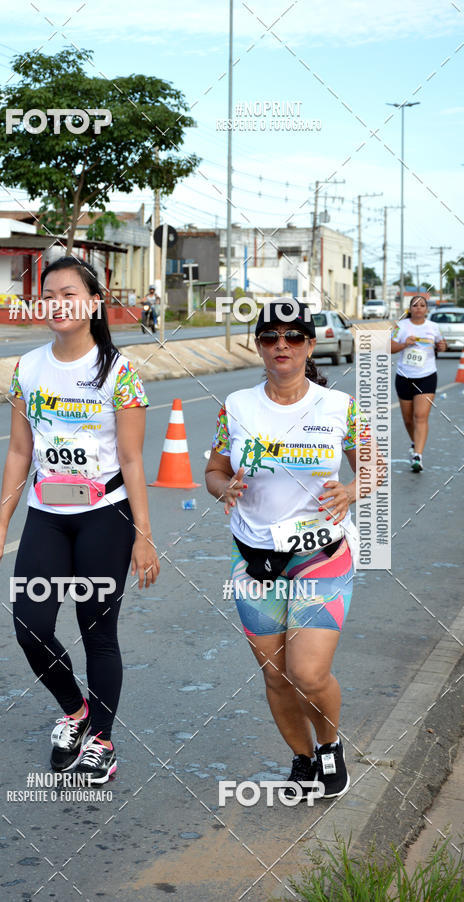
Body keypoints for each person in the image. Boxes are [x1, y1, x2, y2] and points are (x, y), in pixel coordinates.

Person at [0, 256, 159, 783]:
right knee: (30, 627)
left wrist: (143, 536)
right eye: (48, 294)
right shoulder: (27, 368)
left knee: (98, 631)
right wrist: (1, 525)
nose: (56, 302)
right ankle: (75, 711)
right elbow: (16, 451)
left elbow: (132, 460)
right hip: (47, 516)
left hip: (105, 515)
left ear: (94, 303)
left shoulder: (119, 374)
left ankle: (102, 738)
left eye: (69, 293)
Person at [205, 300, 374, 801]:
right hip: (255, 559)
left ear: (309, 345)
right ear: (258, 345)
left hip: (322, 554)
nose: (282, 345)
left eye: (294, 336)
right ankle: (303, 758)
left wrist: (351, 490)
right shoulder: (235, 406)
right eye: (271, 336)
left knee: (307, 672)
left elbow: (373, 467)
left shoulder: (339, 408)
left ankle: (329, 746)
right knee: (277, 677)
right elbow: (213, 472)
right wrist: (223, 489)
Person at [391, 295, 446, 473]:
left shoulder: (433, 327)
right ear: (410, 308)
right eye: (415, 305)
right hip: (404, 376)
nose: (419, 308)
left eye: (422, 305)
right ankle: (415, 441)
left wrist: (442, 346)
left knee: (420, 416)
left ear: (426, 309)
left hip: (427, 375)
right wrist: (404, 344)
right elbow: (389, 347)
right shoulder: (400, 326)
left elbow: (442, 345)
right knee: (408, 419)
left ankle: (418, 456)